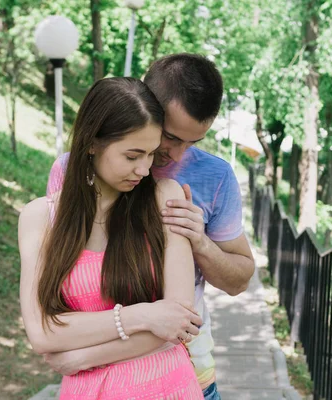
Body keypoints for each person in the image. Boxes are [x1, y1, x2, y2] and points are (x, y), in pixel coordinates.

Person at [44, 54, 255, 400]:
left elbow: (240, 279)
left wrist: (200, 242)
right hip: (94, 381)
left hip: (185, 375)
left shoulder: (216, 177)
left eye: (193, 142)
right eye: (171, 136)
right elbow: (62, 282)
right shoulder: (71, 174)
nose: (177, 153)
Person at [18, 77, 205, 399]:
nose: (144, 170)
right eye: (132, 156)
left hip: (165, 386)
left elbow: (179, 323)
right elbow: (42, 333)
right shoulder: (39, 218)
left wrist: (81, 356)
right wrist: (142, 315)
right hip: (87, 392)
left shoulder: (165, 199)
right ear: (92, 143)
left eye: (151, 155)